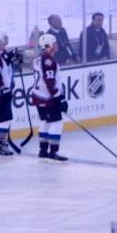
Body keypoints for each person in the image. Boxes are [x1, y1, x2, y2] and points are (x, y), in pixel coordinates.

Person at [32, 34, 69, 162]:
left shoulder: (38, 59)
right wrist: (60, 98)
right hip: (47, 98)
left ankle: (43, 150)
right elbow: (49, 81)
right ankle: (53, 151)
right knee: (57, 122)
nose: (57, 45)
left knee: (45, 122)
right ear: (49, 46)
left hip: (38, 96)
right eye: (55, 43)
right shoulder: (49, 61)